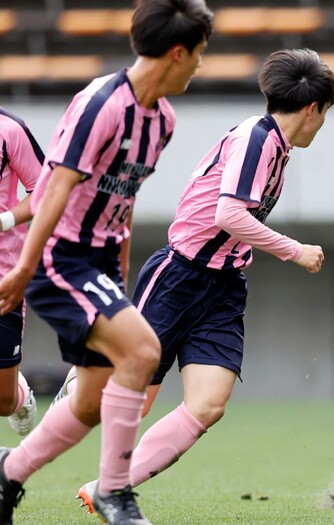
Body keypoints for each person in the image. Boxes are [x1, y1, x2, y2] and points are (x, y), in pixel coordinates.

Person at [56, 48, 334, 501]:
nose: (323, 124)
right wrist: (294, 250)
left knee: (208, 405)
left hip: (223, 288)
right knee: (132, 401)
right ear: (312, 108)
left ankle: (111, 488)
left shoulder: (277, 149)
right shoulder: (257, 139)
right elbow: (228, 214)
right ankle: (82, 374)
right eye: (325, 114)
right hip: (179, 277)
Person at [0, 1, 213, 524]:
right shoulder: (101, 104)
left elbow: (125, 201)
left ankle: (7, 475)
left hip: (95, 265)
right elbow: (52, 191)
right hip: (58, 258)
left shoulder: (161, 119)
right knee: (143, 351)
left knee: (92, 404)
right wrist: (26, 267)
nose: (201, 65)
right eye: (200, 54)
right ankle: (115, 492)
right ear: (177, 52)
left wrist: (119, 272)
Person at [0, 108, 45, 437]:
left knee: (2, 401)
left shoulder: (11, 129)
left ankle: (19, 395)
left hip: (4, 272)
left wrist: (4, 221)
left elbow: (46, 190)